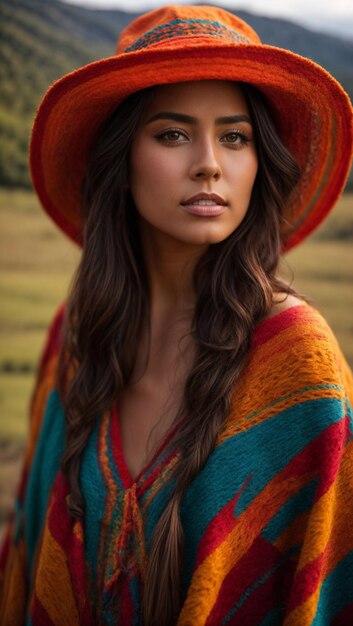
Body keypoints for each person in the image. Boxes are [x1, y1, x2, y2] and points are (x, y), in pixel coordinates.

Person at [1, 4, 353, 625]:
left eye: (235, 137)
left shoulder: (296, 361)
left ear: (258, 163)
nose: (210, 163)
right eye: (173, 133)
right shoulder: (77, 338)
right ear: (121, 158)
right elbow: (32, 547)